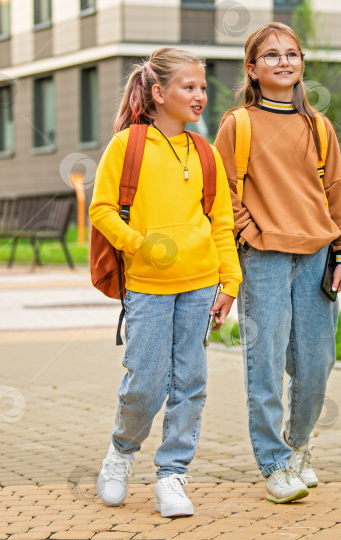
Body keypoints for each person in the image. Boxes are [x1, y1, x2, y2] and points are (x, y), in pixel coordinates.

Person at [89, 47, 241, 518]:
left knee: (190, 382)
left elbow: (219, 223)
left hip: (200, 284)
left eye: (203, 87)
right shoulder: (127, 146)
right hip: (148, 287)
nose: (200, 95)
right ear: (159, 93)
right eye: (189, 87)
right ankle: (121, 451)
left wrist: (229, 281)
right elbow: (101, 210)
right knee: (147, 382)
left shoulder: (205, 152)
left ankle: (172, 475)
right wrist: (138, 245)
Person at [214, 22, 341, 504]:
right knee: (266, 365)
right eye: (271, 56)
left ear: (302, 65)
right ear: (252, 69)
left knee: (316, 364)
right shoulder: (239, 124)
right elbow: (221, 192)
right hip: (265, 260)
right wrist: (250, 234)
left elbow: (335, 192)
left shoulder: (318, 126)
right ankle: (274, 463)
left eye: (292, 54)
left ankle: (298, 447)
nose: (284, 62)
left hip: (318, 255)